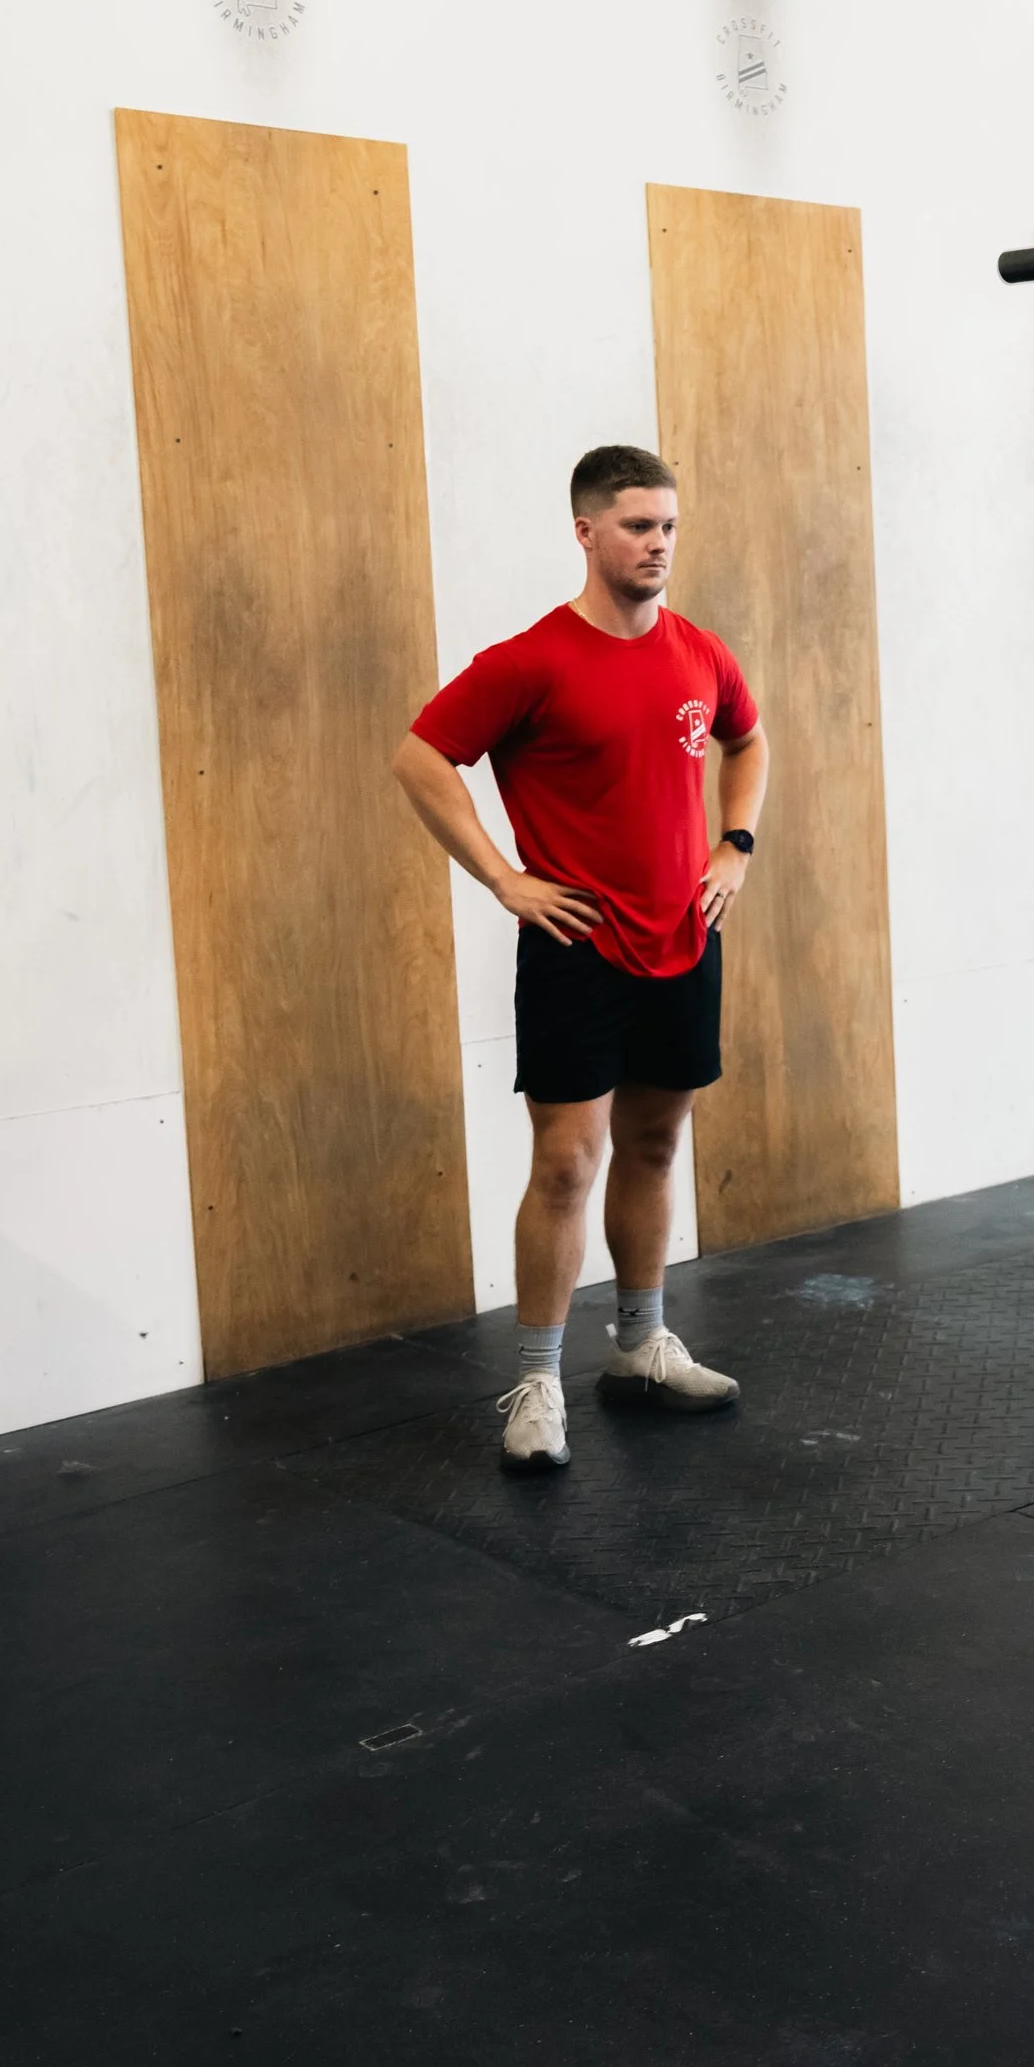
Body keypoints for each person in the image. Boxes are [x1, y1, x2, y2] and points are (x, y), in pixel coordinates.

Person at [393, 443, 770, 1475]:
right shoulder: (531, 660)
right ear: (587, 532)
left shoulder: (698, 652)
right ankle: (536, 1378)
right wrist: (502, 877)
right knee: (566, 1162)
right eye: (639, 526)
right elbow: (420, 754)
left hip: (684, 937)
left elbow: (748, 739)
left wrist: (733, 845)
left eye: (669, 527)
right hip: (578, 946)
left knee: (653, 1147)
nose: (658, 545)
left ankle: (642, 1344)